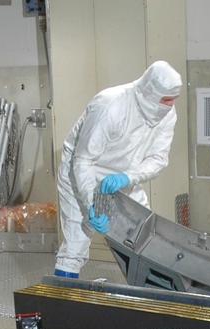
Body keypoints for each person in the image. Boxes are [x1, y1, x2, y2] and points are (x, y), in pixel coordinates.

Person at [53, 60, 182, 278]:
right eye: (166, 100)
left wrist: (128, 177)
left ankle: (150, 301)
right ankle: (63, 301)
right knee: (77, 240)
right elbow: (83, 160)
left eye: (173, 100)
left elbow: (158, 159)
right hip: (83, 174)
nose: (170, 105)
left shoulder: (167, 114)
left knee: (144, 236)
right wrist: (90, 203)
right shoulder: (110, 105)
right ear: (150, 92)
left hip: (123, 177)